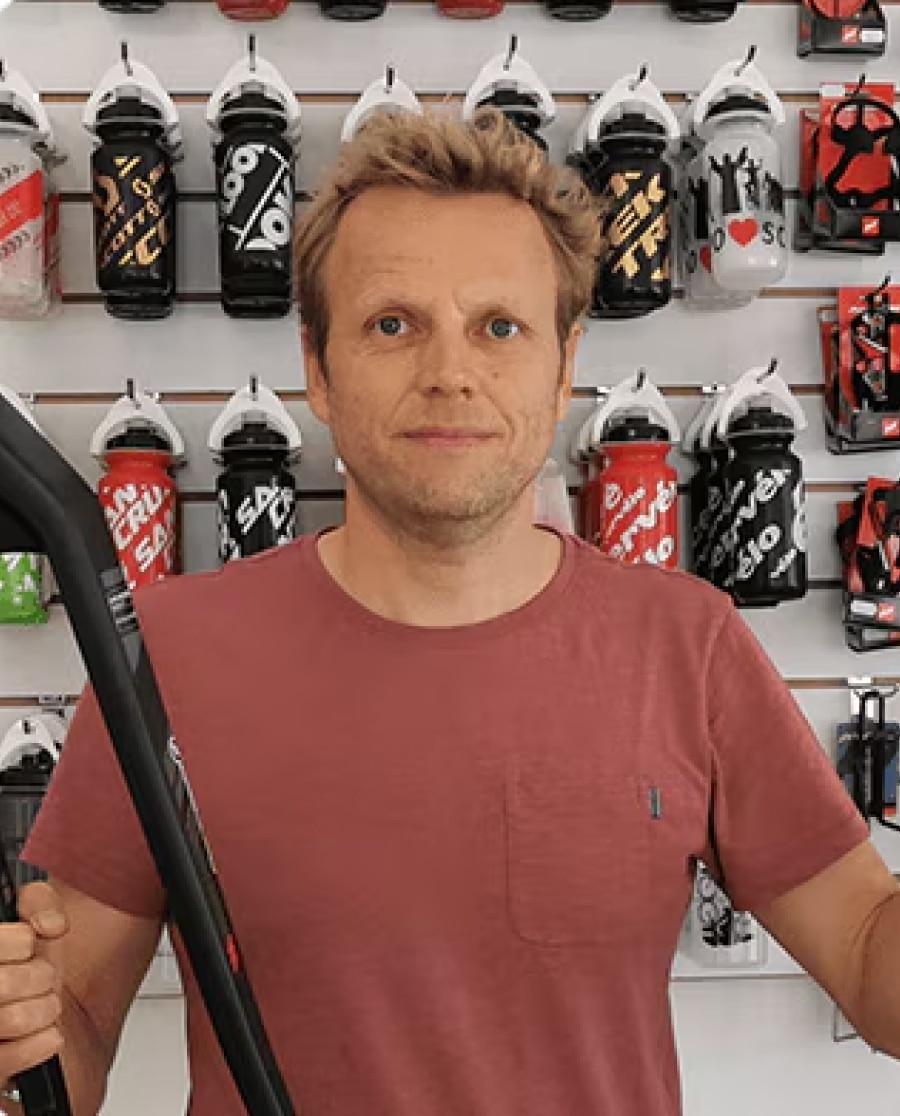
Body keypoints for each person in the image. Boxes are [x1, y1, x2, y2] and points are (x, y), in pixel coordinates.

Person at [0, 107, 897, 1116]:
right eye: (394, 324)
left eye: (499, 327)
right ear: (319, 370)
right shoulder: (168, 656)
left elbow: (869, 950)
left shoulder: (684, 645)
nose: (449, 371)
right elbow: (64, 1019)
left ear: (562, 372)